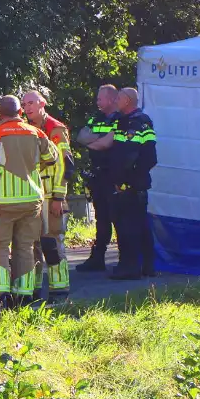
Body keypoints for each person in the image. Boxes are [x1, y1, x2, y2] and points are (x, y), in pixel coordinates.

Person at [0, 95, 57, 313]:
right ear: (20, 112)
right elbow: (54, 157)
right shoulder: (36, 133)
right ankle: (23, 296)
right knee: (25, 248)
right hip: (31, 202)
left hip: (2, 203)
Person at [88, 87, 157, 280]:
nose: (115, 100)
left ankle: (130, 267)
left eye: (119, 97)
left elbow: (141, 156)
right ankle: (145, 266)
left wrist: (126, 180)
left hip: (131, 185)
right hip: (124, 183)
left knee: (129, 227)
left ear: (127, 100)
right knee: (138, 224)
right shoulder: (121, 121)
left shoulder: (138, 122)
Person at [22, 89, 74, 302]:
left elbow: (66, 164)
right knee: (34, 243)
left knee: (52, 243)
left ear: (42, 103)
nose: (28, 107)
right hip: (35, 197)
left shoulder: (55, 129)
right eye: (24, 104)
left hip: (52, 196)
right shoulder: (28, 129)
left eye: (32, 103)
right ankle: (34, 289)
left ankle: (59, 289)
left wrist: (58, 198)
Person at [74, 85, 119, 272]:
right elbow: (81, 137)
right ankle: (98, 257)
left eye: (100, 98)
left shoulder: (121, 119)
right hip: (98, 175)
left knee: (119, 217)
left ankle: (126, 259)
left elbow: (110, 142)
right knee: (101, 218)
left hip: (115, 174)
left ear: (111, 99)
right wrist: (100, 140)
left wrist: (97, 142)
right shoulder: (96, 118)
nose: (97, 102)